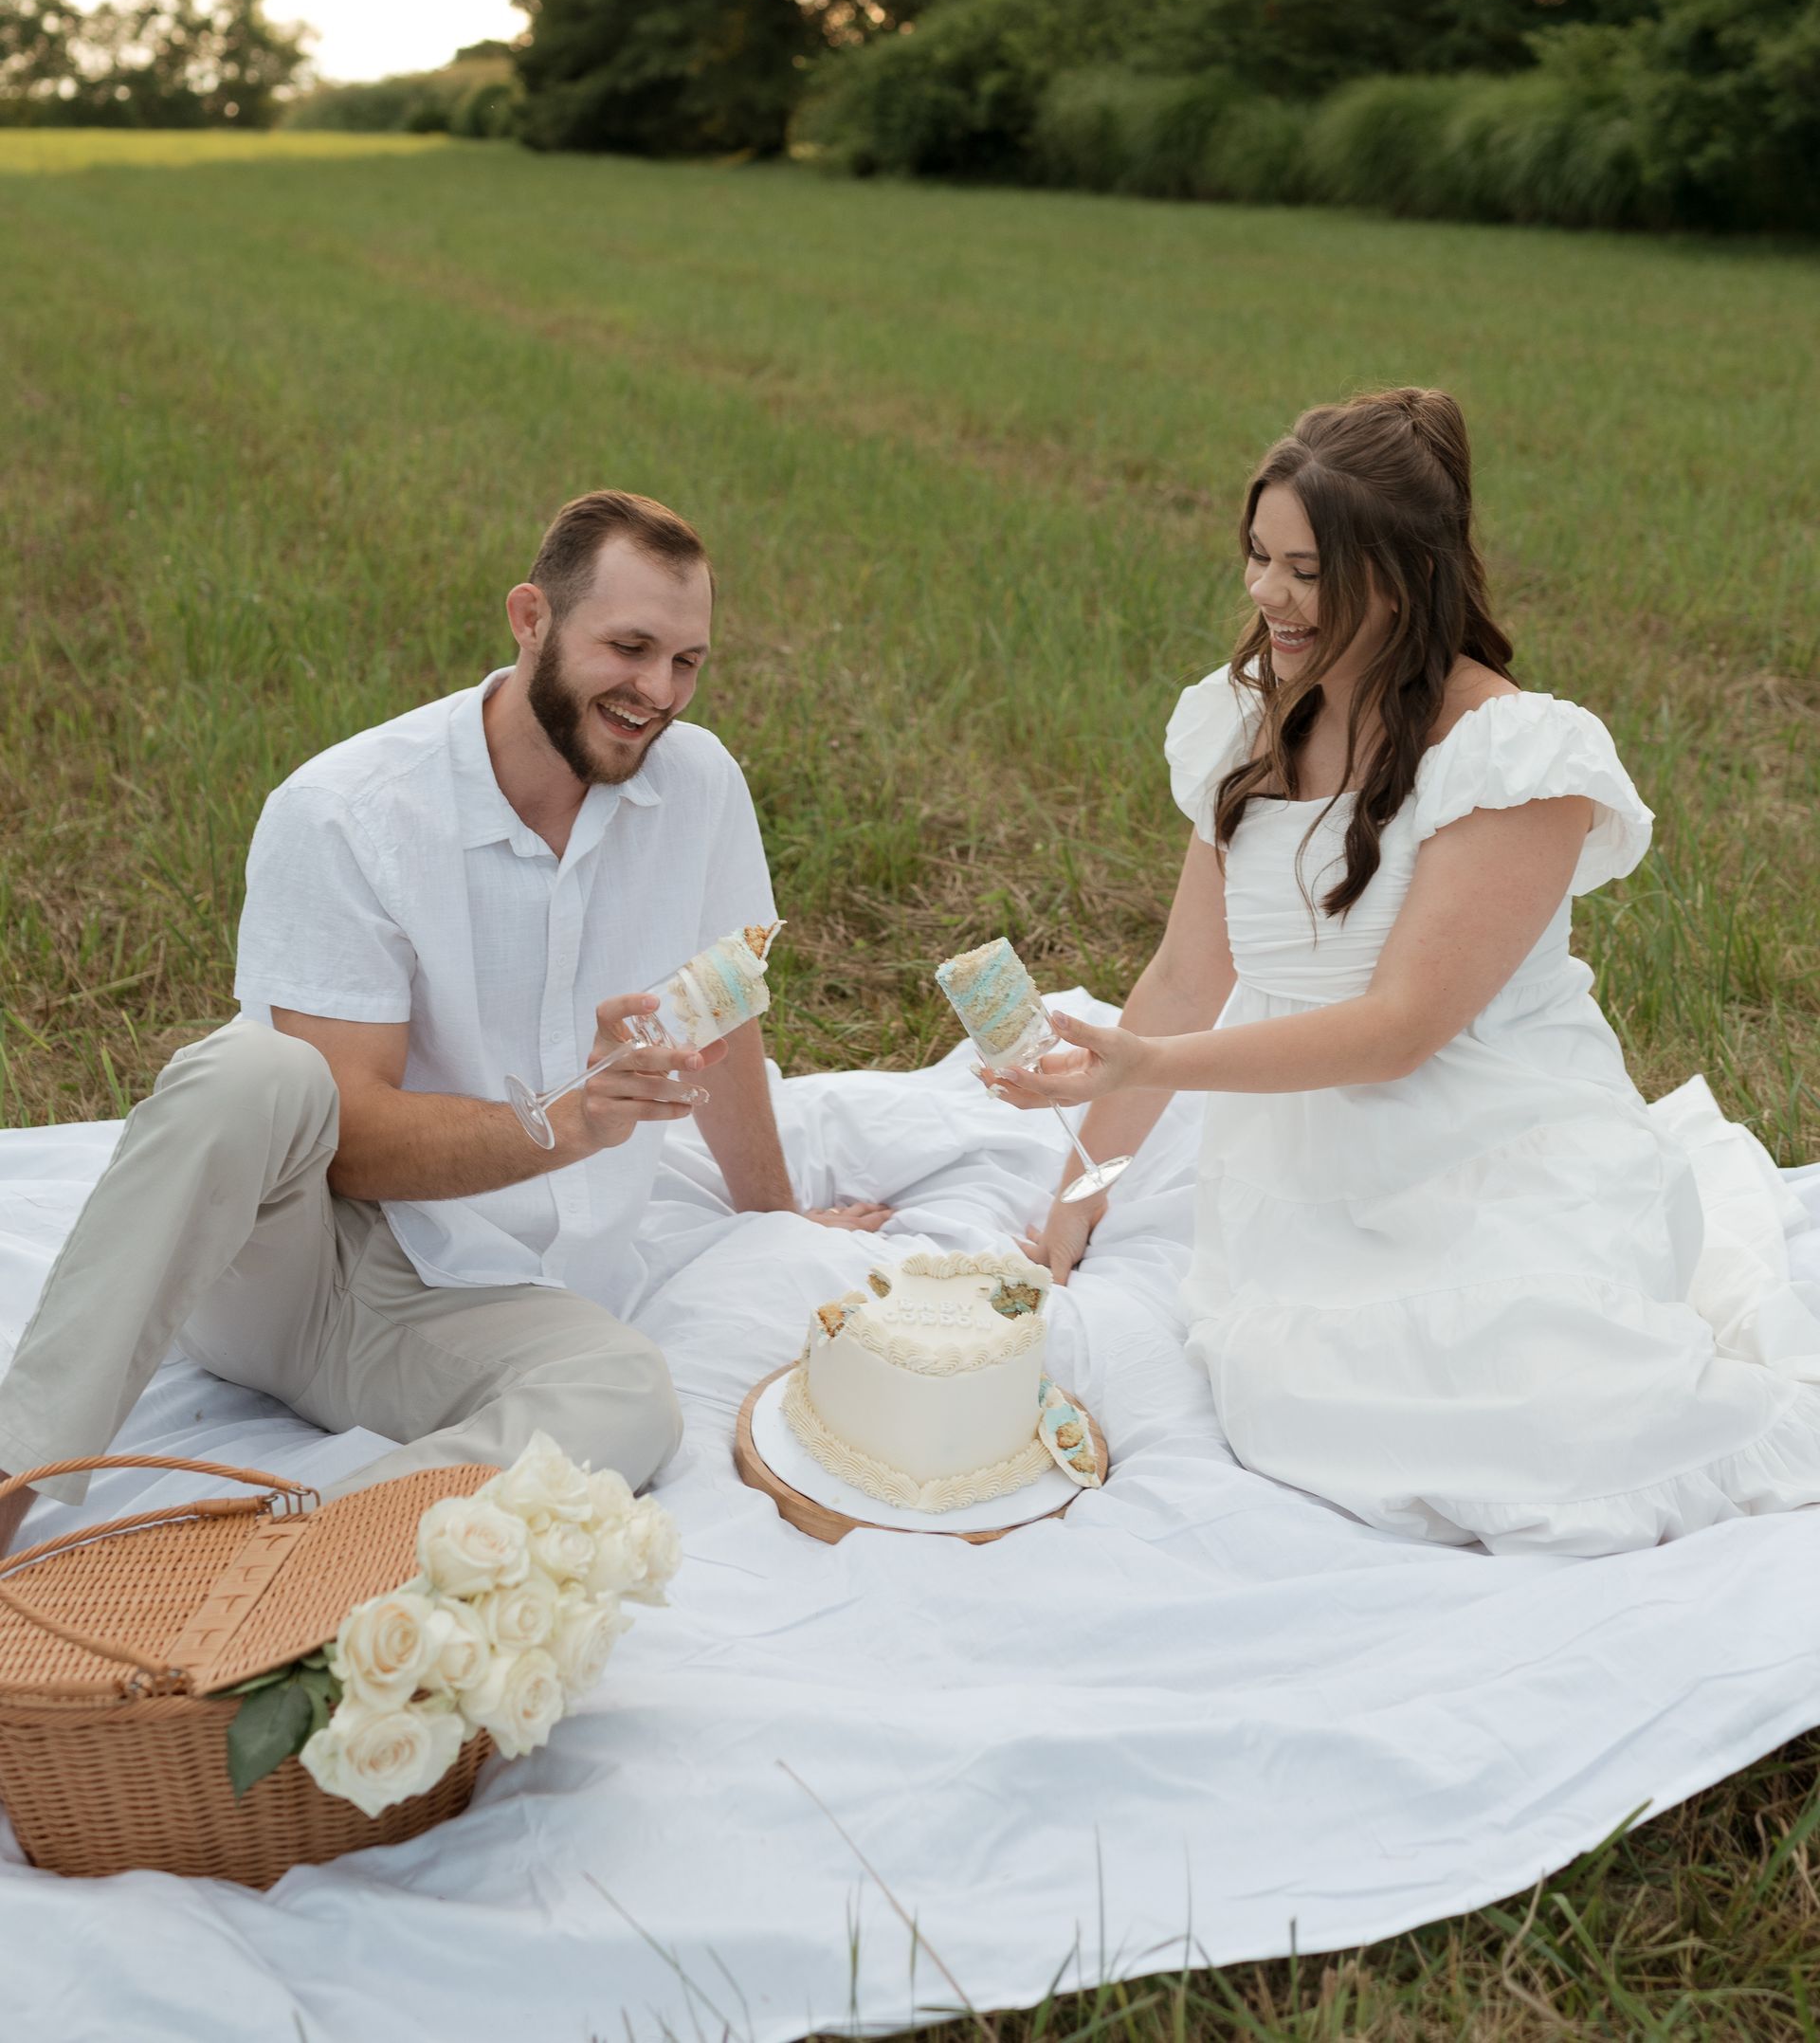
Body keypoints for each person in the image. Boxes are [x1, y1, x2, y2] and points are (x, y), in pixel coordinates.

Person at [990, 388, 1820, 1558]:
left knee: (1536, 1433)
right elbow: (1183, 978)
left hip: (1490, 1142)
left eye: (1306, 570)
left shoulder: (1518, 755)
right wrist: (1075, 1205)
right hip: (1305, 1160)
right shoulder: (1247, 724)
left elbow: (1402, 1030)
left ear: (1407, 575)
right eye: (1258, 558)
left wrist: (1159, 1060)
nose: (1265, 595)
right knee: (1296, 1404)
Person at [0, 488, 886, 1557]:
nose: (659, 692)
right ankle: (16, 1478)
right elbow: (353, 1144)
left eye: (687, 661)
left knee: (625, 1396)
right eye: (631, 647)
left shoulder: (699, 788)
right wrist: (570, 1120)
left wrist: (776, 1212)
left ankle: (264, 1568)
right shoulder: (348, 811)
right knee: (251, 1073)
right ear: (531, 619)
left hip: (471, 1315)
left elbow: (727, 1009)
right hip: (298, 1271)